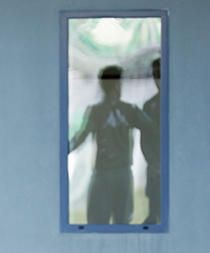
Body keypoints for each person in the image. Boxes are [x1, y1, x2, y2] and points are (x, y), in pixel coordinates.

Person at [69, 65, 154, 224]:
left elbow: (80, 137)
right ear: (116, 85)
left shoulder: (98, 111)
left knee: (99, 224)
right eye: (119, 82)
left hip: (106, 173)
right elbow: (153, 130)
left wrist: (64, 150)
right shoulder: (128, 110)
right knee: (120, 223)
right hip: (117, 173)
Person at [141, 58, 161, 224]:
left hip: (175, 170)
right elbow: (145, 140)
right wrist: (154, 163)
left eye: (160, 74)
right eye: (155, 74)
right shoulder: (149, 105)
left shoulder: (180, 105)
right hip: (155, 170)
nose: (157, 78)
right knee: (154, 215)